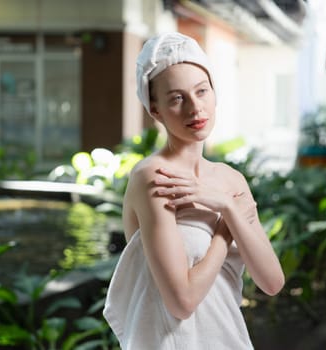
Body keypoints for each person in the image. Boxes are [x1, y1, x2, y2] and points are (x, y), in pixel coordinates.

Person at [103, 32, 284, 350]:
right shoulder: (154, 177)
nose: (195, 107)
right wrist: (223, 234)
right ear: (155, 110)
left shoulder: (230, 181)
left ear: (215, 93)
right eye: (176, 97)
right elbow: (182, 302)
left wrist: (226, 206)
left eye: (202, 91)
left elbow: (272, 282)